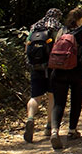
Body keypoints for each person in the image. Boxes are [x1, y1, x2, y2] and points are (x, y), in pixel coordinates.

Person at [49, 7, 82, 149]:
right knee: (76, 100)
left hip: (59, 70)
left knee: (58, 102)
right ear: (81, 19)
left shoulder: (62, 31)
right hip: (77, 70)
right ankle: (72, 130)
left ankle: (55, 131)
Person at [23, 8, 63, 143]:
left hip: (36, 67)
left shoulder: (34, 27)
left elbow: (27, 47)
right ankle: (48, 126)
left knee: (35, 96)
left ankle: (30, 118)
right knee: (52, 96)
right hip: (52, 67)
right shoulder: (58, 27)